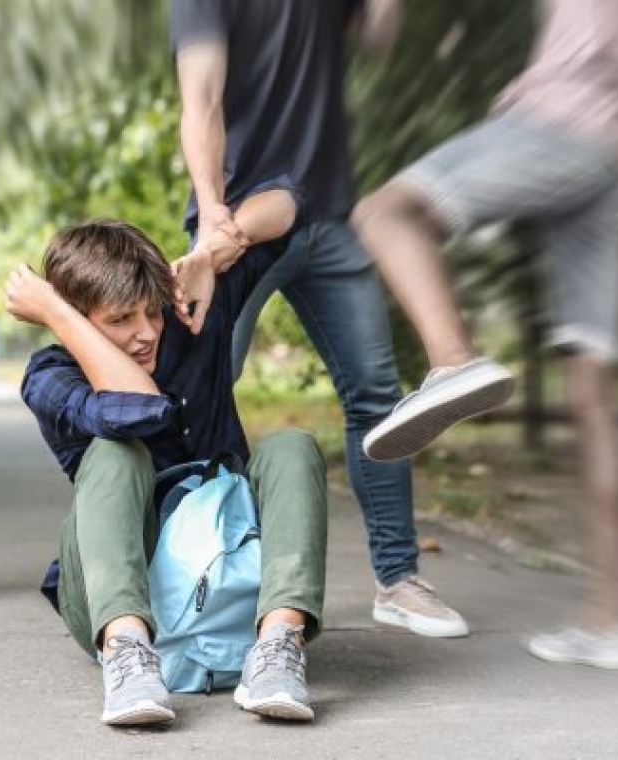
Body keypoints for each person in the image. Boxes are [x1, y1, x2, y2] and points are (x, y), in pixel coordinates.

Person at [353, 0, 618, 669]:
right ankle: (610, 625)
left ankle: (454, 361)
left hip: (557, 120)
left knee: (387, 213)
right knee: (596, 398)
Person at [171, 0, 469, 639]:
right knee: (200, 404)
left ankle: (398, 580)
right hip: (237, 221)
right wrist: (211, 211)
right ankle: (189, 578)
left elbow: (380, 37)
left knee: (377, 399)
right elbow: (201, 99)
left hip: (328, 216)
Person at [7, 200, 328, 726]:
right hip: (117, 595)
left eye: (151, 311)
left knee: (291, 445)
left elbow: (292, 207)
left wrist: (209, 253)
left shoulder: (190, 317)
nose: (148, 332)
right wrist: (59, 316)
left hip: (230, 569)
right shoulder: (50, 377)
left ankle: (278, 647)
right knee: (115, 452)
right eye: (120, 320)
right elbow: (140, 405)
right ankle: (129, 656)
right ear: (75, 323)